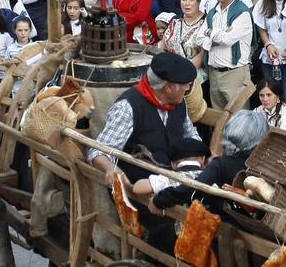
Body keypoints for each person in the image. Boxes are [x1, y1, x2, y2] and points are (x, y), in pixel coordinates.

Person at [88, 51, 206, 187]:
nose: (188, 88)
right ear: (168, 87)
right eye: (186, 85)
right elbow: (98, 151)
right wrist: (110, 167)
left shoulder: (179, 102)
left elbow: (190, 134)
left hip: (173, 180)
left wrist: (200, 155)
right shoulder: (128, 107)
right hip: (138, 188)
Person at [202, 0, 254, 110]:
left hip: (235, 75)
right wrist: (216, 34)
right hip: (214, 74)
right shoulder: (212, 12)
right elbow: (199, 38)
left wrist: (210, 33)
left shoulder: (242, 12)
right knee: (219, 123)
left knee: (239, 122)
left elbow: (227, 40)